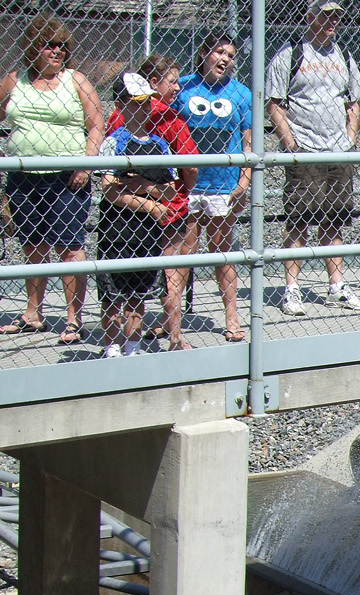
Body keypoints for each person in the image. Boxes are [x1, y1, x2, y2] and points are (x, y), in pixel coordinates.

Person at [0, 16, 105, 344]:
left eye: (62, 45)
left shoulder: (76, 81)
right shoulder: (14, 80)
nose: (57, 51)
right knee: (32, 245)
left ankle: (74, 318)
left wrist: (86, 166)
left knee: (70, 247)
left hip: (68, 178)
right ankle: (33, 313)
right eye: (50, 45)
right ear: (33, 47)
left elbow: (97, 124)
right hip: (23, 176)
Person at [265, 0, 360, 315]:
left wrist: (350, 139)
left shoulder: (345, 56)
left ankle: (336, 287)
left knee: (335, 218)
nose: (332, 21)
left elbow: (354, 101)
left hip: (338, 151)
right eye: (325, 15)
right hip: (305, 152)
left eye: (336, 16)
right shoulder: (289, 54)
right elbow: (274, 104)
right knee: (299, 219)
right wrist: (291, 144)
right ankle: (292, 289)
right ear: (310, 16)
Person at [109, 54, 200, 350]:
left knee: (127, 284)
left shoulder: (118, 119)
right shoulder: (171, 118)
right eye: (172, 81)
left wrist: (141, 186)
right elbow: (190, 166)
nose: (177, 88)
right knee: (170, 273)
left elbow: (114, 177)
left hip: (128, 212)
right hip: (162, 210)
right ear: (153, 83)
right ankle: (174, 336)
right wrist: (175, 192)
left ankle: (126, 340)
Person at [95, 74, 179, 358]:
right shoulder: (112, 142)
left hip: (145, 235)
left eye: (147, 103)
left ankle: (132, 344)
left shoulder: (159, 145)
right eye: (136, 103)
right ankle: (111, 345)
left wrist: (142, 186)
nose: (144, 109)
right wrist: (151, 206)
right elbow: (109, 191)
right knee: (112, 294)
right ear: (120, 104)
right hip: (116, 231)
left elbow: (169, 192)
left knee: (137, 293)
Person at [177, 34, 253, 342]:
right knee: (184, 251)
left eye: (231, 55)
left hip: (224, 185)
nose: (225, 59)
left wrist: (244, 180)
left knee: (223, 251)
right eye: (219, 52)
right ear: (204, 54)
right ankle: (173, 319)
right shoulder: (182, 87)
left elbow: (249, 141)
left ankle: (231, 318)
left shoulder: (242, 93)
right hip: (188, 184)